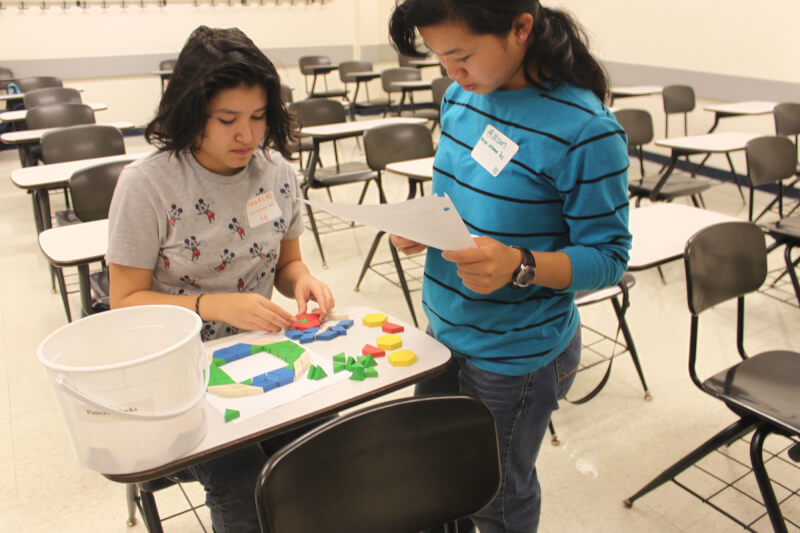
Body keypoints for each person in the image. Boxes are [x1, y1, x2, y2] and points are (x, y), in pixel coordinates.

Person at [388, 2, 632, 532]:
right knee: (434, 477)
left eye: (461, 56)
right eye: (440, 59)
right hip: (445, 327)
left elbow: (610, 259)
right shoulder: (462, 96)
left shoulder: (586, 131)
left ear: (520, 29)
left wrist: (520, 264)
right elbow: (460, 197)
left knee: (494, 496)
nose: (452, 74)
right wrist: (425, 224)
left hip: (515, 353)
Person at [107, 26, 334, 532]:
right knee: (241, 478)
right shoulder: (147, 186)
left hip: (263, 352)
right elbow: (123, 302)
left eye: (258, 118)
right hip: (178, 374)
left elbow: (286, 265)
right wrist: (211, 305)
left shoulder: (275, 171)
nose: (247, 136)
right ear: (191, 114)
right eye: (228, 120)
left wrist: (304, 282)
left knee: (330, 447)